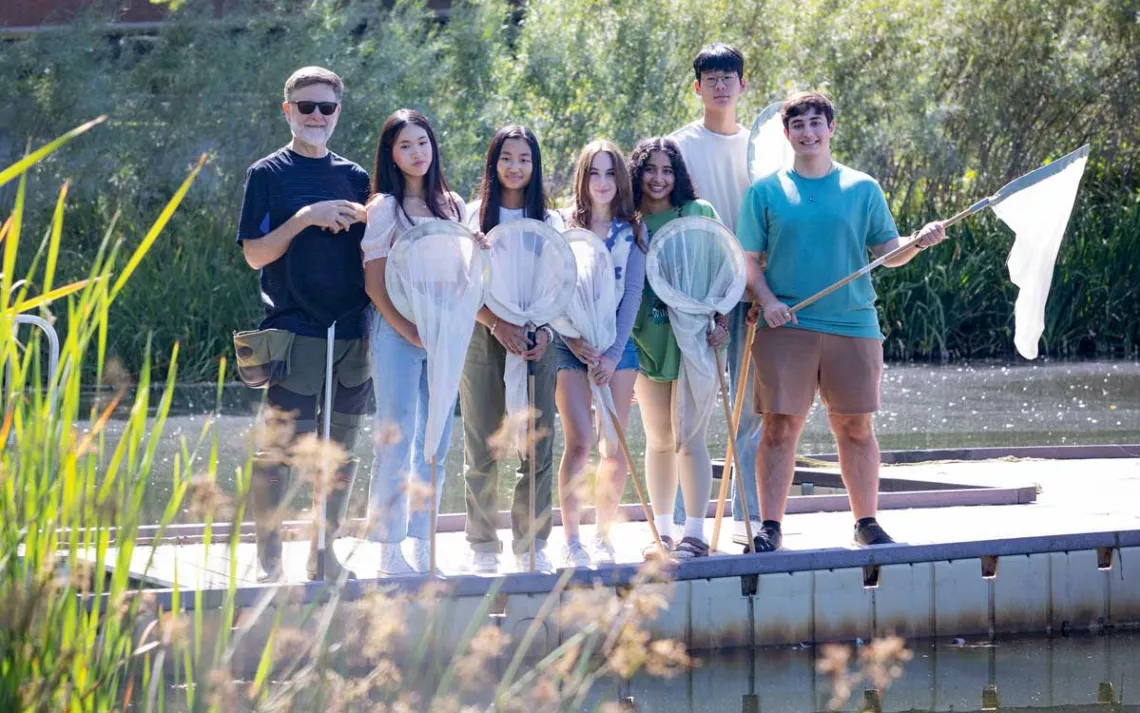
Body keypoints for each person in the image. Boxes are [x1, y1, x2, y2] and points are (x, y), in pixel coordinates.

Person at [736, 91, 947, 552]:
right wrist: (768, 301)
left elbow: (890, 256)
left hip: (853, 324)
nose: (808, 132)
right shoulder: (765, 192)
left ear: (831, 128)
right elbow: (747, 261)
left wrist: (919, 240)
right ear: (786, 133)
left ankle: (866, 523)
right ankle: (769, 527)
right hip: (785, 324)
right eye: (799, 125)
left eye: (817, 123)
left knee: (855, 428)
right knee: (779, 427)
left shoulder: (862, 187)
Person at [237, 66, 372, 581]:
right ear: (287, 109)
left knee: (338, 451)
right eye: (306, 106)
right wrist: (305, 217)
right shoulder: (266, 174)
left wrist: (363, 217)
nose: (317, 116)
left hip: (352, 332)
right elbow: (255, 255)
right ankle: (268, 553)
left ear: (339, 111)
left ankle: (324, 552)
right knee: (281, 449)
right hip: (293, 331)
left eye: (327, 107)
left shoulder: (358, 177)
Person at [361, 109, 468, 576]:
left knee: (437, 440)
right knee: (397, 435)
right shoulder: (384, 208)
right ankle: (390, 549)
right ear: (391, 154)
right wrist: (407, 330)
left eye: (422, 142)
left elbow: (463, 275)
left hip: (444, 334)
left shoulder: (454, 205)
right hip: (398, 333)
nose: (416, 153)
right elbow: (374, 284)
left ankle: (426, 544)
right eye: (405, 146)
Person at [461, 125, 566, 574]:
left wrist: (545, 330)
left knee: (537, 445)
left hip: (536, 339)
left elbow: (563, 284)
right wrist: (496, 324)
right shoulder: (473, 217)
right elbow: (463, 283)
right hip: (484, 335)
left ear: (534, 164)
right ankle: (482, 543)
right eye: (507, 157)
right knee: (483, 443)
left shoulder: (551, 222)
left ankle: (531, 541)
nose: (515, 166)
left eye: (524, 158)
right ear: (494, 162)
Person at [669, 42, 762, 540]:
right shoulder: (679, 146)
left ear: (743, 85)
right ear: (697, 86)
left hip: (749, 291)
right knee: (695, 410)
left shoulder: (761, 147)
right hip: (696, 297)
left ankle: (750, 522)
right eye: (712, 78)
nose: (721, 86)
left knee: (749, 414)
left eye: (730, 77)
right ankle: (690, 526)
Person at [629, 137, 729, 560]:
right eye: (650, 169)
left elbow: (726, 269)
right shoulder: (628, 221)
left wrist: (722, 319)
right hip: (644, 337)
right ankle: (662, 531)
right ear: (637, 173)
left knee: (691, 436)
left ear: (678, 174)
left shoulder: (699, 214)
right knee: (658, 438)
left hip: (694, 338)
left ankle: (695, 533)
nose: (658, 178)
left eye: (667, 169)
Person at [555, 139, 647, 568]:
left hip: (616, 347)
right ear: (583, 178)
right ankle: (571, 539)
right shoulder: (563, 226)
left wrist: (610, 355)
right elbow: (551, 289)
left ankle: (603, 534)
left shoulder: (634, 230)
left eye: (611, 173)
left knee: (614, 448)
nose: (603, 181)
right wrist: (574, 341)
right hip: (571, 346)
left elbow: (630, 296)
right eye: (595, 172)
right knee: (580, 443)